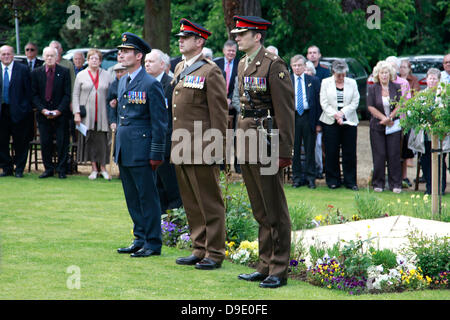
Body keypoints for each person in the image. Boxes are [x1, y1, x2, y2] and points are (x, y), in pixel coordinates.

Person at [231, 15, 295, 288]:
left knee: (275, 208)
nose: (236, 37)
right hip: (247, 138)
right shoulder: (243, 63)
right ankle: (265, 264)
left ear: (258, 36)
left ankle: (278, 269)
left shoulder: (273, 64)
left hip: (267, 140)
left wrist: (284, 150)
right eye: (236, 33)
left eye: (242, 33)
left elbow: (285, 110)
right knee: (259, 207)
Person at [171, 19, 228, 270]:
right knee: (191, 201)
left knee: (209, 201)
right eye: (180, 37)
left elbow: (219, 113)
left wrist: (218, 148)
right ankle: (199, 248)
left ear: (200, 42)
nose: (180, 40)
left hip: (203, 146)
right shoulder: (180, 67)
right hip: (181, 145)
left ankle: (214, 252)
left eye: (186, 37)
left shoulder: (210, 71)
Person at [114, 32, 168, 258]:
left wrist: (157, 153)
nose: (121, 54)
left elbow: (160, 122)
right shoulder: (123, 80)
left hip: (143, 150)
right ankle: (140, 238)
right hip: (125, 148)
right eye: (121, 51)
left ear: (138, 56)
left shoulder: (150, 83)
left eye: (126, 51)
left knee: (147, 197)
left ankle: (153, 242)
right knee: (132, 197)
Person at [144, 49, 182, 214]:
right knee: (155, 189)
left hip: (167, 145)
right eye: (145, 61)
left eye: (151, 61)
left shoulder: (172, 84)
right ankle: (159, 228)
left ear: (162, 64)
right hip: (148, 144)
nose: (147, 64)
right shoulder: (143, 83)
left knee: (172, 189)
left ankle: (174, 228)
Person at [73, 49, 114, 180]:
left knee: (102, 141)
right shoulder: (81, 75)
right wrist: (76, 113)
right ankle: (94, 169)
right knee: (89, 140)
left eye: (97, 58)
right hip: (87, 114)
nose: (94, 61)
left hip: (102, 113)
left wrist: (114, 102)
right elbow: (75, 95)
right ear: (88, 60)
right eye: (92, 58)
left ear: (100, 61)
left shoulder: (107, 75)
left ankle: (103, 168)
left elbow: (112, 93)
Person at [31, 47, 71, 179]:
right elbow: (34, 95)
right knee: (45, 142)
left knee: (62, 142)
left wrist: (58, 110)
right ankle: (48, 169)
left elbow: (67, 94)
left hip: (61, 114)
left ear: (56, 57)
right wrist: (43, 110)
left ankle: (61, 169)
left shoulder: (64, 72)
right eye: (47, 56)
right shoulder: (36, 73)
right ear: (43, 57)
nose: (49, 58)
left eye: (52, 56)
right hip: (43, 113)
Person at [319, 59, 360, 190]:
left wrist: (342, 113)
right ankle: (333, 180)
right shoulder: (325, 82)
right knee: (331, 151)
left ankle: (350, 181)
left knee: (349, 152)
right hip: (330, 121)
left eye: (343, 74)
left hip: (349, 120)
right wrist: (335, 115)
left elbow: (355, 101)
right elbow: (324, 102)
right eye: (338, 75)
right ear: (333, 72)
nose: (341, 77)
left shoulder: (352, 83)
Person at [408, 68, 448, 195]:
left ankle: (440, 189)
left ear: (438, 80)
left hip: (440, 135)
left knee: (440, 160)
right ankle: (429, 188)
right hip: (425, 135)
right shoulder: (421, 95)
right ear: (426, 80)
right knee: (426, 160)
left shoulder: (444, 95)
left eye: (434, 79)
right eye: (430, 78)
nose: (432, 81)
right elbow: (411, 112)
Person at [367, 60, 402, 193]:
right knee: (379, 154)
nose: (384, 75)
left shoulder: (396, 87)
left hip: (393, 125)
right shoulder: (372, 88)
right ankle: (378, 183)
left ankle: (396, 184)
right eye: (382, 73)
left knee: (393, 154)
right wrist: (383, 118)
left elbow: (400, 104)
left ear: (390, 74)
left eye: (386, 72)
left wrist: (390, 118)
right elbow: (370, 106)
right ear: (378, 74)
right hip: (377, 125)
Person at [0, 45, 33, 178]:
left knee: (20, 141)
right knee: (2, 142)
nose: (6, 56)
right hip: (2, 111)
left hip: (19, 111)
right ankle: (6, 168)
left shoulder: (23, 69)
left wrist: (24, 108)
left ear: (13, 55)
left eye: (8, 54)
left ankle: (19, 168)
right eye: (3, 54)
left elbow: (29, 91)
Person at [290, 54, 321, 189]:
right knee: (295, 149)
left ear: (304, 66)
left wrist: (319, 123)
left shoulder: (313, 80)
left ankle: (311, 178)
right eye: (295, 65)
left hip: (309, 117)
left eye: (299, 65)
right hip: (294, 117)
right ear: (291, 67)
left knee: (310, 149)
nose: (297, 68)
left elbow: (318, 103)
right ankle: (296, 178)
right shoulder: (287, 80)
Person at [213, 40, 241, 173]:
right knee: (219, 135)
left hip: (235, 106)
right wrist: (223, 99)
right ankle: (222, 165)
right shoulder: (216, 64)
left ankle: (238, 165)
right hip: (218, 106)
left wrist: (230, 99)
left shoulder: (240, 65)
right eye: (228, 50)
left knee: (237, 136)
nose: (231, 53)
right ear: (224, 51)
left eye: (233, 51)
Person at [399, 58, 420, 187]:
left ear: (409, 69)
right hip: (397, 117)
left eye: (404, 67)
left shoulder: (413, 81)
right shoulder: (394, 79)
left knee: (406, 148)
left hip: (407, 118)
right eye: (400, 67)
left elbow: (415, 96)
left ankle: (405, 175)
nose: (402, 69)